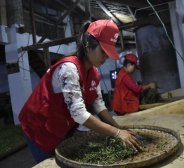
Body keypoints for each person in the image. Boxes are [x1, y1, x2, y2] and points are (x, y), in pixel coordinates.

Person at [18, 19, 141, 163]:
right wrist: (118, 133)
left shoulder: (94, 72)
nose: (106, 57)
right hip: (38, 128)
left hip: (60, 125)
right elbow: (79, 114)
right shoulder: (68, 69)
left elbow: (98, 105)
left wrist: (119, 128)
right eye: (103, 51)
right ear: (88, 46)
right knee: (49, 162)